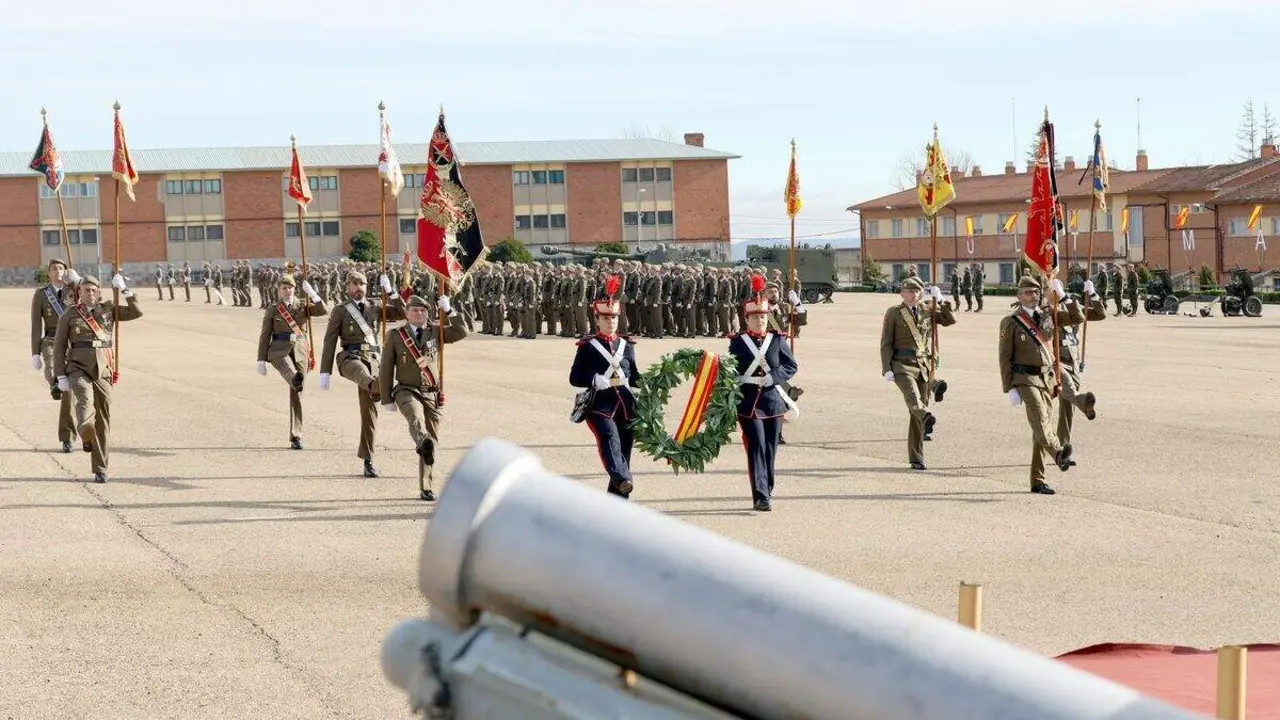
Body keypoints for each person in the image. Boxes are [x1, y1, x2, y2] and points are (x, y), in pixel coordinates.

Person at [51, 273, 143, 483]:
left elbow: (136, 312)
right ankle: (85, 428)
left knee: (104, 416)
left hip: (103, 368)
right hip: (77, 366)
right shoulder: (70, 314)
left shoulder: (108, 309)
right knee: (84, 398)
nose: (90, 293)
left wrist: (125, 291)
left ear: (99, 293)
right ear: (79, 292)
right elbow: (59, 346)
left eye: (94, 290)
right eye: (86, 290)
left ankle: (100, 468)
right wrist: (60, 375)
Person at [378, 293, 467, 501]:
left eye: (424, 311)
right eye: (415, 310)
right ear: (407, 313)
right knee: (414, 417)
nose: (420, 313)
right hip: (406, 389)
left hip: (431, 391)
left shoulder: (436, 331)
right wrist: (386, 398)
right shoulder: (395, 335)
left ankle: (426, 486)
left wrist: (450, 311)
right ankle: (421, 441)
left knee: (432, 441)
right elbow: (385, 368)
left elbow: (461, 332)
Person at [999, 276, 1079, 495]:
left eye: (1035, 292)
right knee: (1041, 420)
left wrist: (1064, 296)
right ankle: (1058, 452)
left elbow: (1077, 317)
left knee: (1039, 430)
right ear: (1019, 296)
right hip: (1024, 379)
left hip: (1046, 378)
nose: (1032, 296)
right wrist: (1009, 388)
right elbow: (1004, 357)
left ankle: (1037, 480)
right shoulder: (1011, 321)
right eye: (1027, 293)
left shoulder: (1047, 315)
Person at [319, 271, 402, 478]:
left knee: (369, 415)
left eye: (361, 284)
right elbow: (330, 340)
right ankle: (376, 386)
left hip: (373, 359)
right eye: (354, 284)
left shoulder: (375, 306)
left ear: (366, 286)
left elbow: (402, 312)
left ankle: (368, 459)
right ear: (348, 287)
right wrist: (325, 372)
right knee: (363, 374)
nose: (358, 288)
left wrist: (391, 292)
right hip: (349, 357)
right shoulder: (340, 310)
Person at [729, 274, 798, 512]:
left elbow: (791, 365)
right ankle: (760, 495)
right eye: (755, 317)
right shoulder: (737, 342)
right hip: (748, 403)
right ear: (747, 319)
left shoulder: (777, 340)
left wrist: (774, 377)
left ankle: (767, 488)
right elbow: (731, 369)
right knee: (756, 446)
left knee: (770, 449)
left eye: (763, 317)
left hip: (773, 402)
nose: (760, 321)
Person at [569, 276, 640, 499]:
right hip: (601, 406)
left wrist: (654, 381)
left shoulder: (626, 346)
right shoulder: (588, 347)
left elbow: (635, 375)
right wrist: (593, 379)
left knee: (624, 450)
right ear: (597, 319)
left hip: (626, 405)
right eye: (606, 318)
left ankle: (617, 499)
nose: (611, 322)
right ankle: (621, 479)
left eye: (614, 318)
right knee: (610, 439)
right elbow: (575, 377)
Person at [880, 277, 956, 470]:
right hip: (901, 365)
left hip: (923, 366)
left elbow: (949, 320)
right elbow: (886, 342)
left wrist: (942, 300)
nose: (913, 295)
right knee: (913, 399)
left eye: (916, 292)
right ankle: (927, 416)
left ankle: (916, 458)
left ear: (921, 293)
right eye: (909, 292)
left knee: (915, 415)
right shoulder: (894, 313)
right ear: (902, 293)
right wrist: (886, 368)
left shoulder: (927, 310)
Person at [256, 274, 328, 450]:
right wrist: (261, 359)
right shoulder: (273, 309)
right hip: (278, 350)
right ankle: (295, 378)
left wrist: (312, 293)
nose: (287, 291)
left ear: (294, 289)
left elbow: (323, 310)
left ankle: (296, 435)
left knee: (297, 392)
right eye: (283, 288)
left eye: (290, 288)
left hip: (300, 350)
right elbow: (265, 334)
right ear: (279, 291)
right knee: (290, 372)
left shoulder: (303, 305)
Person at [31, 257, 81, 452]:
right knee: (52, 369)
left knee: (69, 393)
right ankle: (54, 385)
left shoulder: (75, 290)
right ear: (49, 273)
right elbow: (36, 324)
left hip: (72, 343)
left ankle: (67, 437)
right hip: (51, 341)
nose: (57, 271)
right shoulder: (42, 294)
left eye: (61, 268)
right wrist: (35, 352)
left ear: (65, 271)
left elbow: (94, 297)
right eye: (54, 268)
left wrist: (78, 281)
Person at [1057, 279, 1107, 458]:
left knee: (1067, 410)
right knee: (1069, 391)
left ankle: (1063, 450)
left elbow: (1101, 314)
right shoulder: (1055, 313)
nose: (1075, 305)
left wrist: (1093, 294)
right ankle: (1084, 400)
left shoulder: (1078, 311)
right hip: (1057, 363)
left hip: (1073, 363)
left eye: (1077, 302)